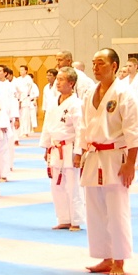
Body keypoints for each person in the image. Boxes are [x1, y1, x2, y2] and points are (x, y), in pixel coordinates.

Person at [79, 48, 138, 275]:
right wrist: (80, 153)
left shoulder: (124, 93)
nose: (96, 67)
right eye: (94, 63)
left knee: (117, 211)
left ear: (114, 66)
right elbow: (84, 127)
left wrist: (130, 163)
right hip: (94, 155)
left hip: (116, 157)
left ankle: (120, 260)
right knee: (95, 211)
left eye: (101, 63)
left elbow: (134, 131)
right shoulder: (89, 94)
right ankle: (105, 257)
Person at [41, 65, 84, 230]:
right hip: (55, 148)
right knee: (56, 185)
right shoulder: (53, 102)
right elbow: (47, 126)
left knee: (72, 186)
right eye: (57, 79)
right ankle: (64, 218)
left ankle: (76, 220)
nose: (57, 83)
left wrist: (79, 153)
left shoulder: (76, 104)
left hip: (70, 148)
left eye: (61, 79)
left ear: (71, 83)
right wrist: (46, 147)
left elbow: (80, 129)